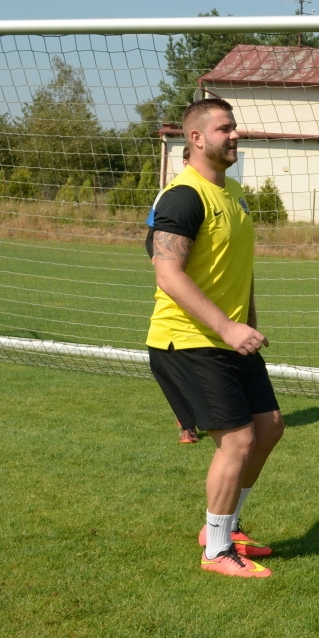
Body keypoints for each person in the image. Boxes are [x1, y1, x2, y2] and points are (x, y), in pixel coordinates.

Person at [147, 97, 284, 577]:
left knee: (268, 427)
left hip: (230, 337)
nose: (235, 135)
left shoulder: (235, 193)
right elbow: (168, 274)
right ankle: (217, 551)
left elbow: (235, 269)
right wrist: (226, 326)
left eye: (235, 127)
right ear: (196, 138)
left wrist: (246, 319)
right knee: (238, 440)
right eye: (225, 128)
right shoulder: (183, 196)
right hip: (186, 339)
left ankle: (224, 528)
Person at [146, 144, 199, 444]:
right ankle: (186, 424)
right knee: (167, 354)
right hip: (175, 287)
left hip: (207, 290)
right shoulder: (172, 195)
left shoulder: (218, 191)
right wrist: (160, 261)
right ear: (184, 162)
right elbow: (150, 236)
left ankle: (194, 415)